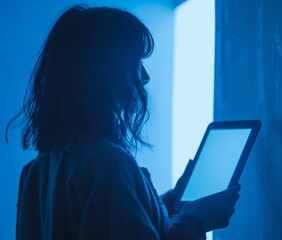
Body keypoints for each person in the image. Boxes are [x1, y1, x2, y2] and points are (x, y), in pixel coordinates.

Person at [6, 5, 240, 240]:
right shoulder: (108, 161)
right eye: (137, 61)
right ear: (108, 70)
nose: (145, 78)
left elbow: (108, 223)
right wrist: (193, 221)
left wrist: (169, 202)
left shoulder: (39, 167)